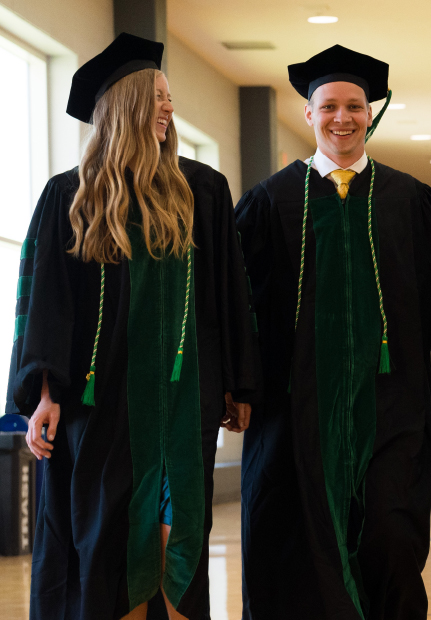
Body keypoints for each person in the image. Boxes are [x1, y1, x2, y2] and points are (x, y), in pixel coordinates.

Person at [236, 45, 431, 619]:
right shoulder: (271, 201)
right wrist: (235, 384)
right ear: (309, 114)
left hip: (391, 410)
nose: (342, 118)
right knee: (296, 542)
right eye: (329, 106)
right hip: (295, 416)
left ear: (371, 113)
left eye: (354, 107)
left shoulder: (406, 200)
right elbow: (232, 300)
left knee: (390, 536)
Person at [7, 33, 260, 620]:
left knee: (181, 539)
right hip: (101, 410)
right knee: (110, 545)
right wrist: (43, 393)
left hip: (184, 403)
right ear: (125, 105)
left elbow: (228, 291)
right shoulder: (69, 195)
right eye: (158, 96)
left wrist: (238, 383)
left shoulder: (203, 190)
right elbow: (44, 303)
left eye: (170, 97)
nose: (169, 107)